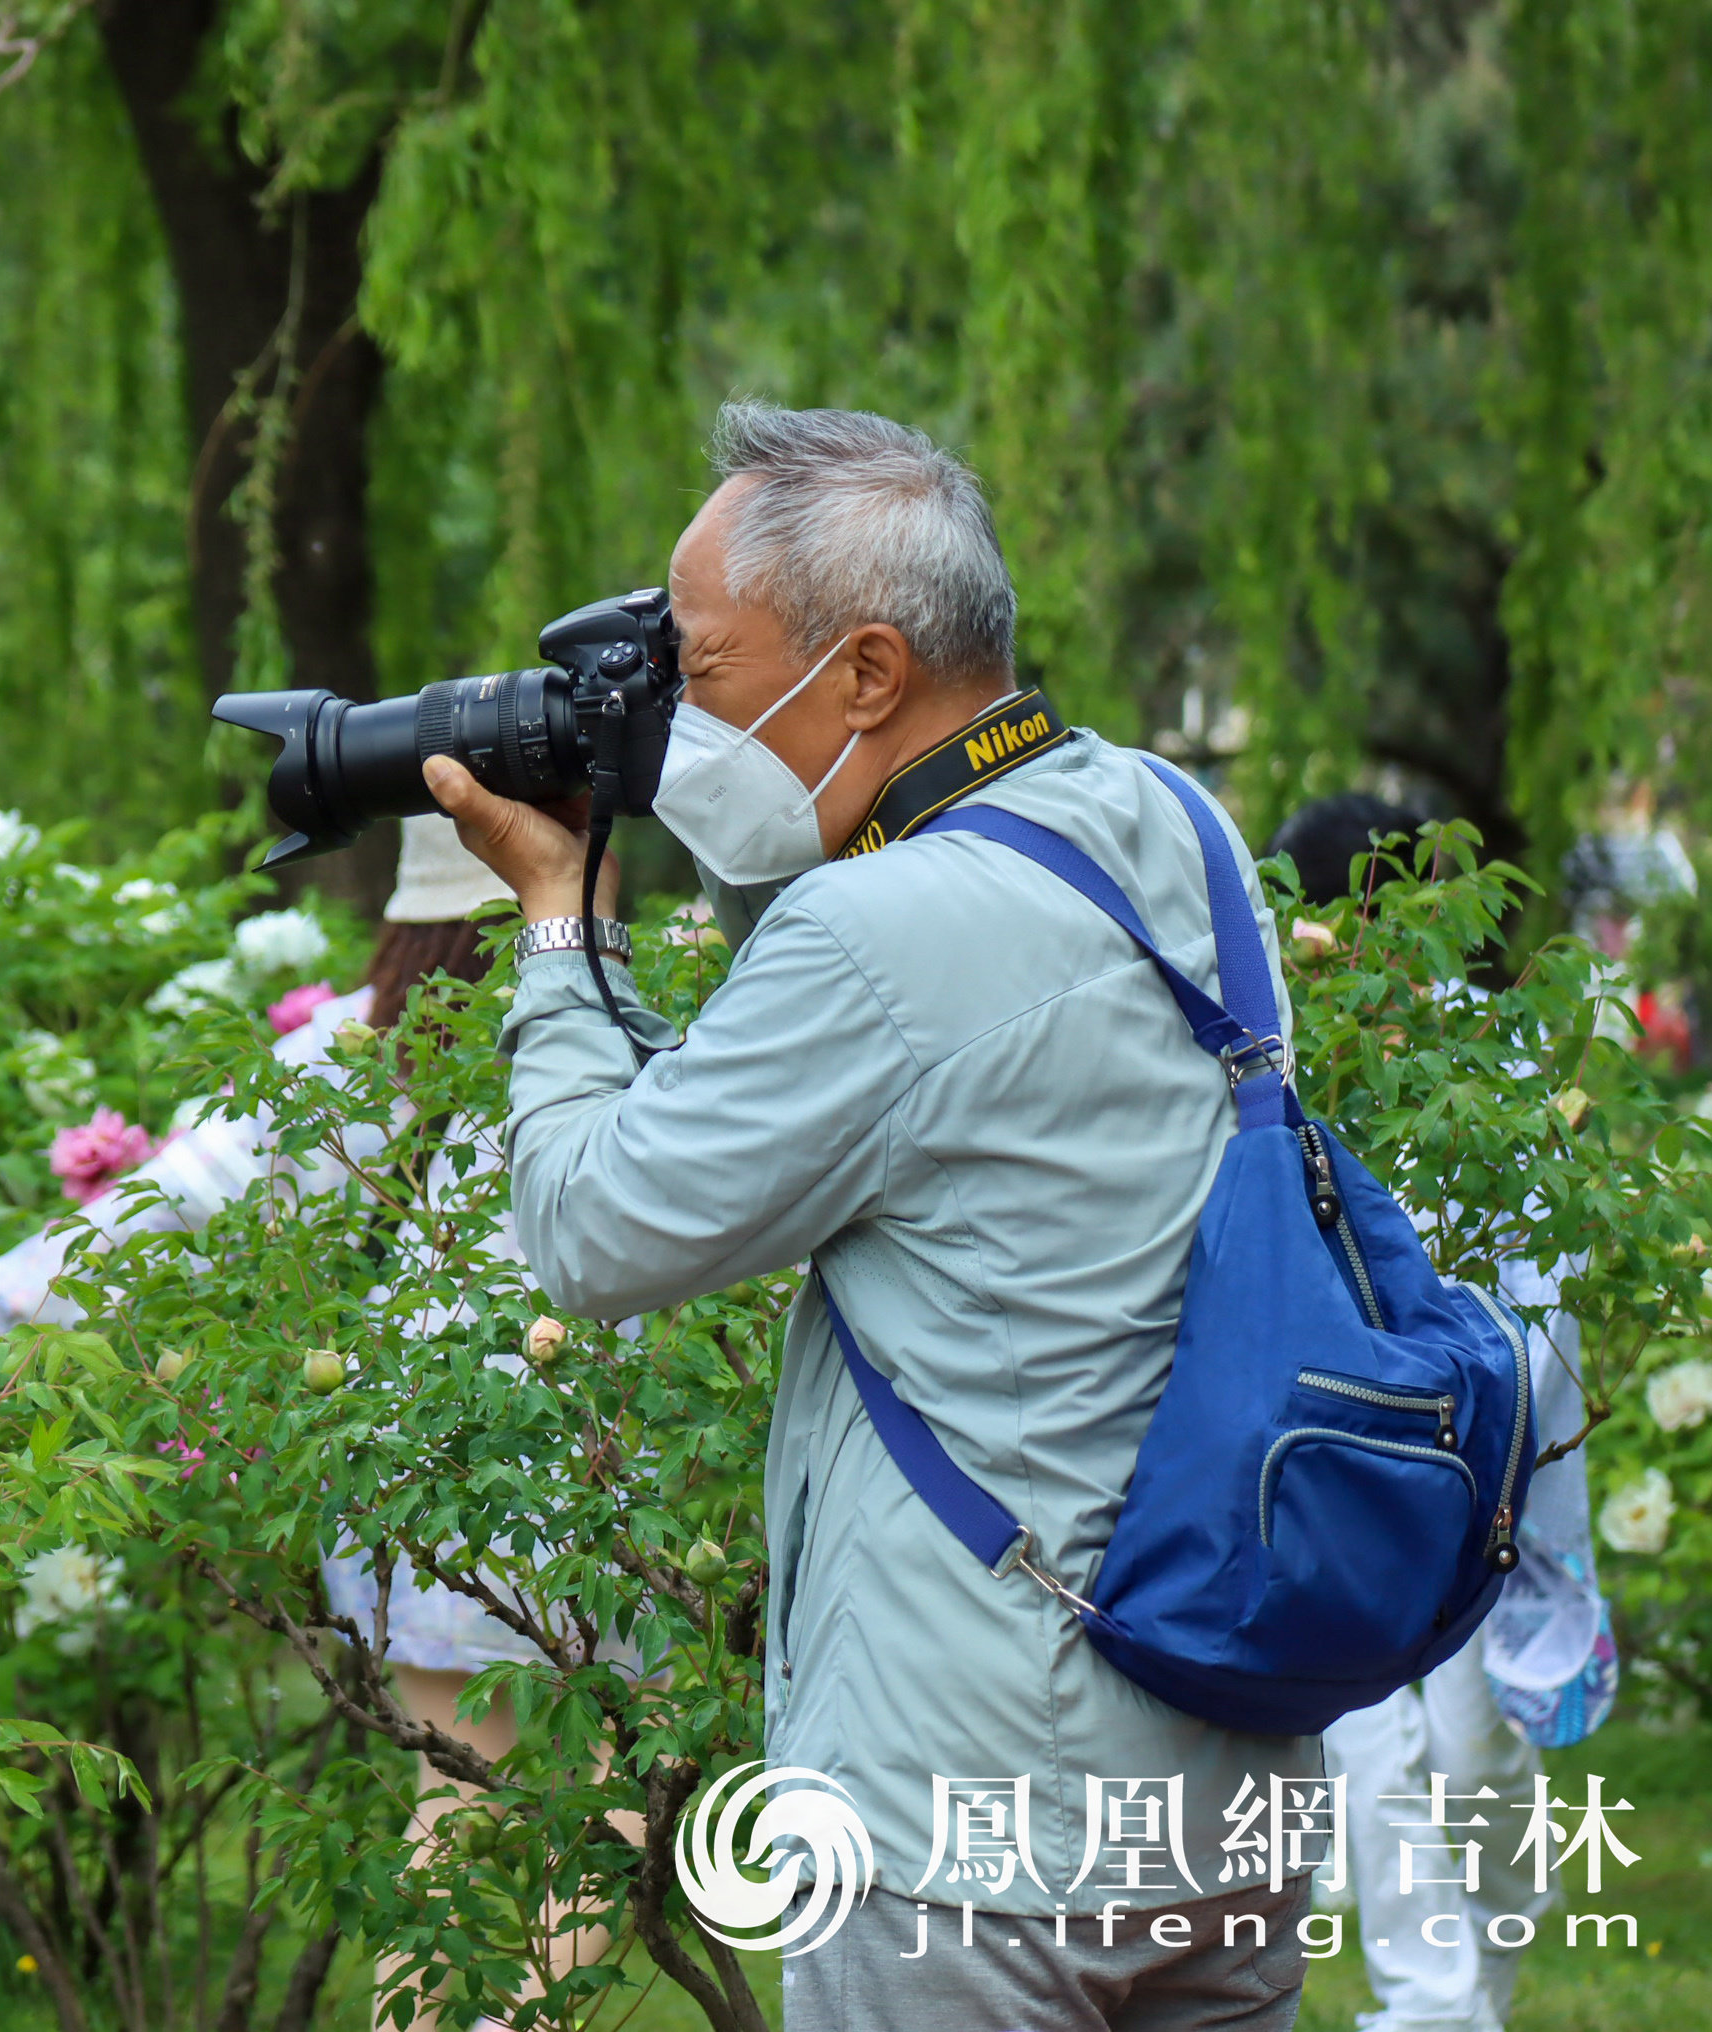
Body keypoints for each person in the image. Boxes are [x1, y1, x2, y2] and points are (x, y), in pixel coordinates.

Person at [429, 399, 1323, 2028]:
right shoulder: (1174, 828)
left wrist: (558, 926)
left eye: (693, 674)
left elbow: (592, 1231)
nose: (671, 726)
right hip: (1221, 1769)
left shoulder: (875, 925)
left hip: (961, 1824)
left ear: (859, 674)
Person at [0, 817, 628, 2031]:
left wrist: (4, 1293)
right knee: (582, 1837)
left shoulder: (365, 1042)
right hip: (575, 1500)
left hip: (419, 1499)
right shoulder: (607, 1031)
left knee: (455, 1852)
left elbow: (196, 1184)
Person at [1270, 795, 1615, 2032]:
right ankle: (1432, 2006)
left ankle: (1484, 1983)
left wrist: (1545, 1496)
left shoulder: (1497, 1073)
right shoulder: (1288, 1067)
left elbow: (1551, 1296)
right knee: (1372, 1741)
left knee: (1480, 1750)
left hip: (1489, 1466)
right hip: (1356, 1466)